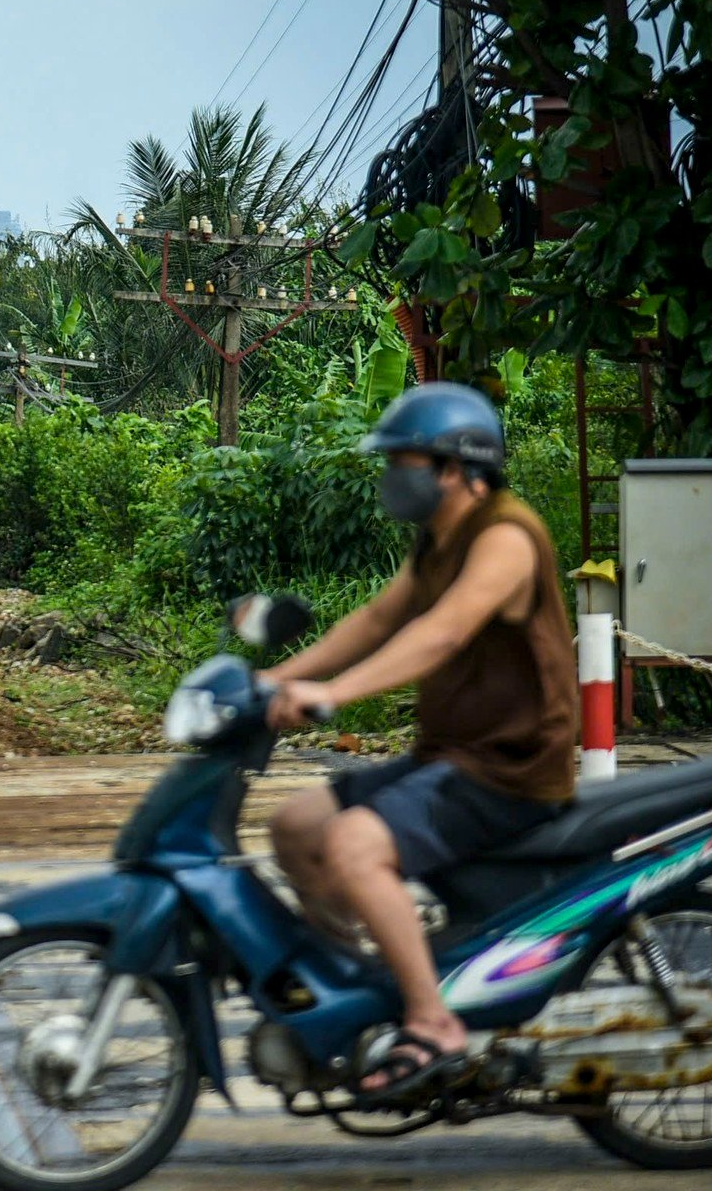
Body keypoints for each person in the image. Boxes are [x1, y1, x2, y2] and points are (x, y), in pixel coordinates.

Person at [261, 381, 577, 1102]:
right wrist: (274, 681)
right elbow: (375, 621)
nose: (390, 478)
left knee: (352, 846)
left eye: (404, 463)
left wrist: (334, 695)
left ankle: (433, 1022)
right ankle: (358, 991)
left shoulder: (505, 535)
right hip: (452, 758)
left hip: (509, 769)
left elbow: (445, 630)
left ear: (457, 468)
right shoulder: (438, 541)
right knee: (296, 826)